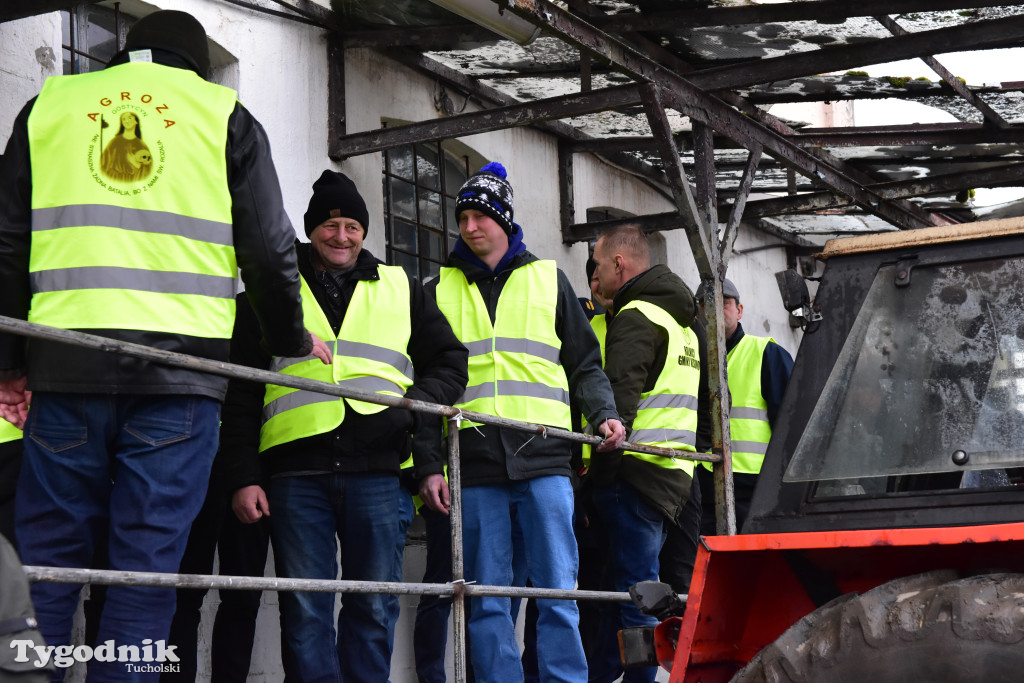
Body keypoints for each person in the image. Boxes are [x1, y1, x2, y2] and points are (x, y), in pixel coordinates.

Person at [0, 10, 309, 680]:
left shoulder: (49, 106)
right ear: (197, 65)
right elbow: (268, 248)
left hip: (64, 367)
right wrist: (287, 337)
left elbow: (6, 241)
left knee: (47, 567)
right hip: (179, 380)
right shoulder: (224, 115)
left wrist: (9, 364)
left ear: (126, 54)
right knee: (144, 573)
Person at [223, 170, 468, 682]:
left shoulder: (402, 288)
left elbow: (449, 362)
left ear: (364, 231)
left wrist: (414, 406)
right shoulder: (271, 293)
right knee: (304, 611)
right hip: (295, 474)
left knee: (373, 607)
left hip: (378, 470)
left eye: (352, 226)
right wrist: (244, 476)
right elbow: (241, 394)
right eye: (329, 226)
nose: (341, 236)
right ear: (311, 230)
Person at [414, 161, 626, 683]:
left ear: (505, 221)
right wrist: (430, 464)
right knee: (487, 600)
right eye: (462, 218)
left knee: (557, 593)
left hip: (545, 459)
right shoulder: (434, 289)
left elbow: (585, 365)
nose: (470, 227)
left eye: (481, 216)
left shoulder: (549, 280)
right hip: (474, 464)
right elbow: (423, 384)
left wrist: (604, 414)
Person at [587, 224, 709, 683]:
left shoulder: (635, 315)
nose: (597, 276)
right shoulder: (684, 324)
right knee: (640, 594)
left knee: (633, 599)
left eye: (599, 265)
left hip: (635, 478)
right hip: (675, 478)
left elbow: (617, 406)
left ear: (619, 264)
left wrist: (598, 480)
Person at [695, 278, 793, 534]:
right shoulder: (692, 358)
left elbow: (792, 426)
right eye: (706, 304)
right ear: (697, 314)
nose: (715, 309)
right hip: (704, 486)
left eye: (724, 303)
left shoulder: (767, 354)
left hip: (756, 488)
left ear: (739, 310)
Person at [100, 111, 153, 183]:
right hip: (116, 181)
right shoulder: (114, 142)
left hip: (136, 183)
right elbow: (104, 166)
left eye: (129, 118)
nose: (126, 121)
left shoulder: (141, 144)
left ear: (136, 121)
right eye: (123, 119)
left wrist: (137, 166)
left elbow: (149, 169)